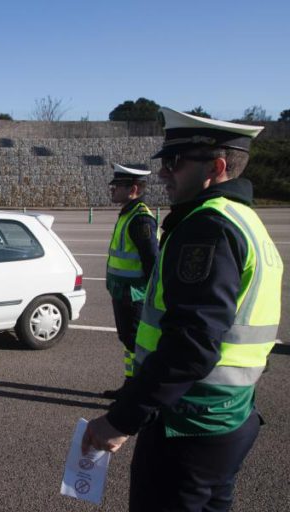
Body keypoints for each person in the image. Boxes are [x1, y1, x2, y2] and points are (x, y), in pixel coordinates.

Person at [82, 108, 283, 511]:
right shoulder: (244, 218)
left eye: (175, 162)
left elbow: (191, 342)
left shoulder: (207, 226)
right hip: (228, 416)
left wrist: (122, 419)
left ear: (217, 166)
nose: (162, 174)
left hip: (188, 424)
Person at [103, 163, 159, 399]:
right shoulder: (128, 213)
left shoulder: (141, 220)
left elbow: (152, 262)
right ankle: (130, 386)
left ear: (134, 188)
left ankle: (140, 393)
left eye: (117, 186)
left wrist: (149, 296)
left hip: (135, 294)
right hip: (123, 292)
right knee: (128, 341)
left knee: (137, 342)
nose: (112, 189)